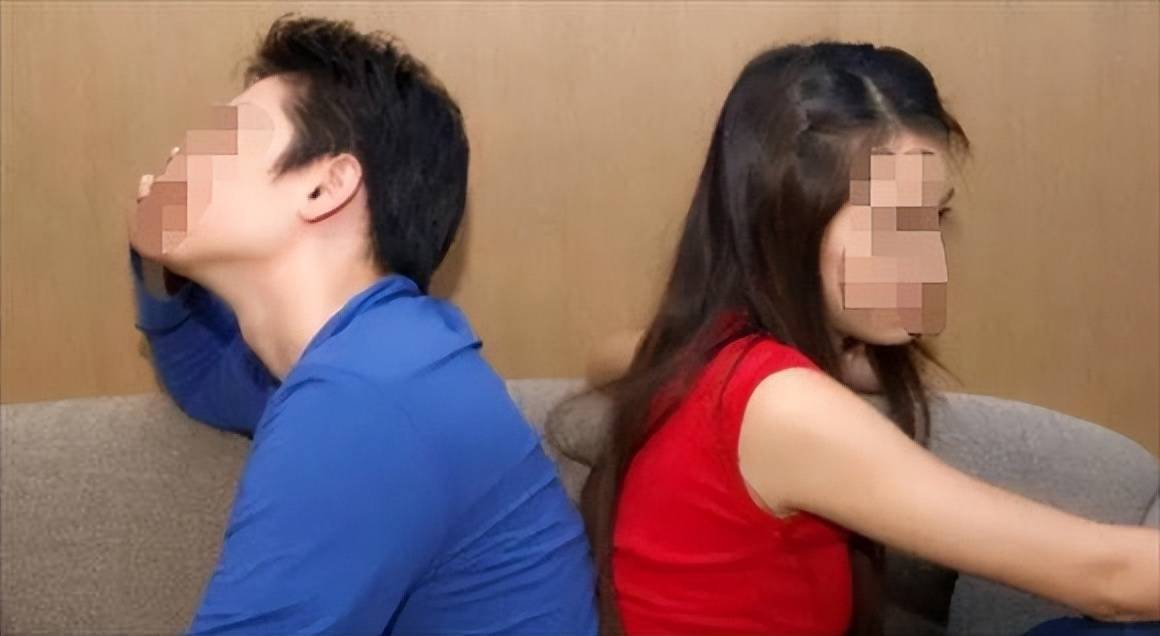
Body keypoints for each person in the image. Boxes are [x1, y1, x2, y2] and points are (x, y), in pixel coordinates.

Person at [578, 42, 1160, 636]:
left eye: (933, 219)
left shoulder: (707, 350)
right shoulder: (785, 407)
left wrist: (840, 366)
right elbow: (1110, 580)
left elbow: (610, 356)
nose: (929, 266)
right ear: (784, 224)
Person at [127, 14, 596, 635]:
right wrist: (158, 238)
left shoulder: (364, 395)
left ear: (326, 187)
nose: (180, 155)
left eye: (223, 141)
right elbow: (203, 380)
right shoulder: (385, 351)